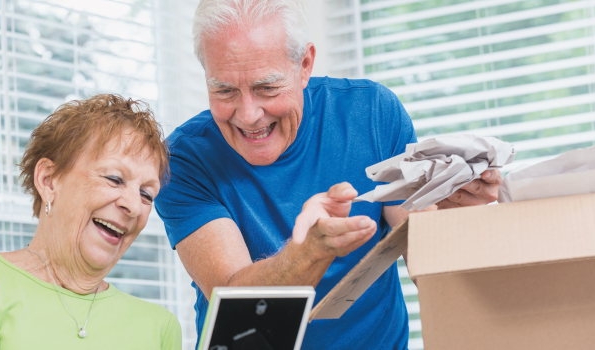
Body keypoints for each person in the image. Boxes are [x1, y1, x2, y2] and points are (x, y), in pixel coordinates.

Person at [154, 0, 503, 349]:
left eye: (267, 88)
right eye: (224, 90)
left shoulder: (372, 113)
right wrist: (308, 253)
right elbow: (239, 308)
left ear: (304, 65)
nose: (248, 115)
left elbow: (428, 260)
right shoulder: (182, 160)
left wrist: (454, 215)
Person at [0, 94, 181, 349]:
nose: (134, 206)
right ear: (48, 180)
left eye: (146, 194)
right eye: (114, 178)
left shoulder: (160, 327)